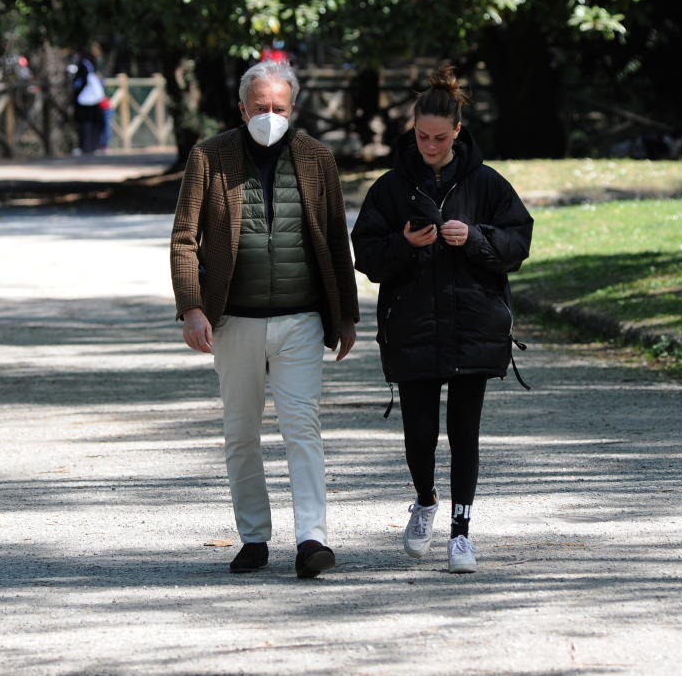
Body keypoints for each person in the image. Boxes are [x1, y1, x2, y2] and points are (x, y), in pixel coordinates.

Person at [170, 60, 359, 579]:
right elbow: (185, 237)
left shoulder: (317, 158)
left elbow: (336, 237)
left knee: (303, 428)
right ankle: (254, 537)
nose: (269, 117)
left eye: (278, 108)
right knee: (240, 431)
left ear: (292, 108)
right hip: (234, 321)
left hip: (300, 319)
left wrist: (346, 314)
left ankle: (312, 539)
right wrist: (192, 307)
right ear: (242, 108)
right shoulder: (210, 156)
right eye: (260, 108)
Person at [351, 65, 533, 574]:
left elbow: (518, 243)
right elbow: (365, 253)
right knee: (419, 433)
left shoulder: (488, 183)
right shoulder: (391, 188)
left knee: (465, 433)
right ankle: (425, 500)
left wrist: (474, 238)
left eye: (439, 137)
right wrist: (404, 245)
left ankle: (461, 532)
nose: (430, 145)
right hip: (411, 326)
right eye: (421, 136)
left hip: (473, 326)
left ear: (457, 132)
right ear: (413, 131)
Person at [72, 53, 105, 154]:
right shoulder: (91, 67)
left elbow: (80, 83)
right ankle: (92, 146)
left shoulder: (83, 66)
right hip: (92, 100)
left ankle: (87, 147)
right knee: (91, 124)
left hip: (85, 101)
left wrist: (76, 94)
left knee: (86, 123)